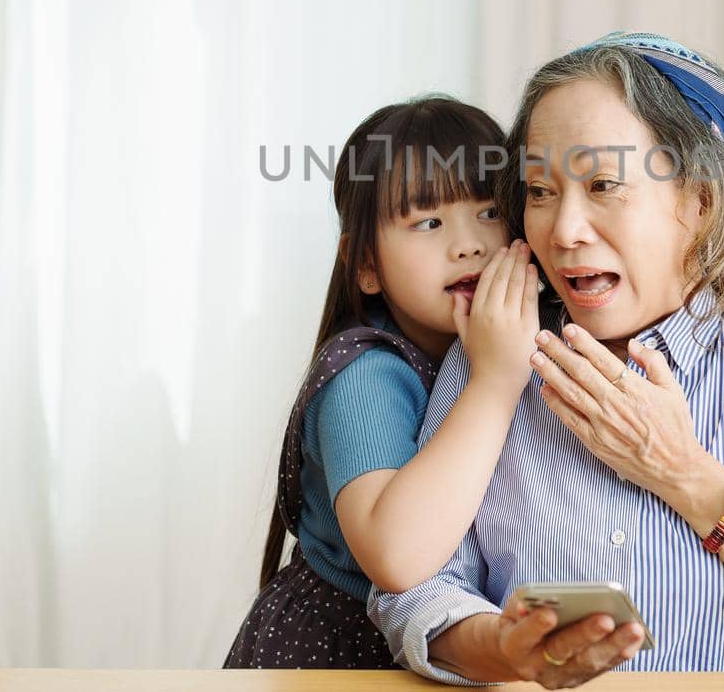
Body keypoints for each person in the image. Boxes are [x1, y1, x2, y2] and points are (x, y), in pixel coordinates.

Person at [370, 34, 724, 686]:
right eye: (540, 190)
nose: (563, 229)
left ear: (700, 202)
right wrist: (502, 645)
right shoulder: (492, 359)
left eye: (602, 183)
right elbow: (409, 592)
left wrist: (685, 474)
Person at [226, 96, 542, 668]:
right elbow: (397, 556)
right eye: (428, 222)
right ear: (365, 264)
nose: (469, 242)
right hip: (337, 658)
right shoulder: (367, 373)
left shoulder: (499, 344)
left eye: (490, 212)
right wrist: (495, 383)